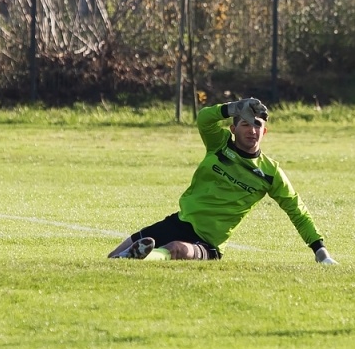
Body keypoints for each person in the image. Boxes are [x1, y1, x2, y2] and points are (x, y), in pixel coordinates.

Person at [109, 97, 337, 264]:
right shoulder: (220, 144)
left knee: (176, 249)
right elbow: (204, 119)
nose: (252, 130)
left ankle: (143, 258)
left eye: (257, 124)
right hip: (179, 222)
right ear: (233, 128)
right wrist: (234, 107)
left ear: (265, 132)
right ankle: (131, 256)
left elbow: (296, 210)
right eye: (245, 124)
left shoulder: (270, 172)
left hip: (208, 244)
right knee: (112, 258)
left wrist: (320, 250)